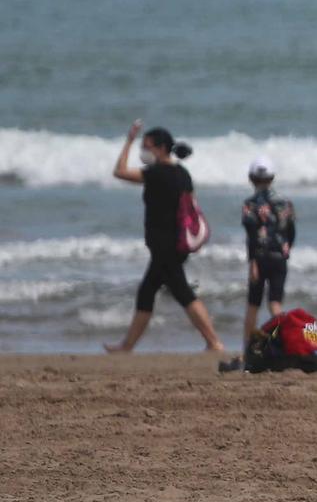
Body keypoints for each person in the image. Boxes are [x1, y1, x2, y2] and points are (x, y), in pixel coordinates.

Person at [104, 123, 227, 353]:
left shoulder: (157, 173)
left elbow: (119, 171)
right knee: (148, 292)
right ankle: (127, 346)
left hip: (166, 246)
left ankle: (214, 342)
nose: (143, 151)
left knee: (182, 293)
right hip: (176, 244)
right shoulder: (182, 173)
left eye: (146, 146)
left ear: (160, 148)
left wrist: (129, 140)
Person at [240, 155, 295, 347]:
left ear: (251, 178)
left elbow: (252, 236)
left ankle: (247, 347)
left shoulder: (250, 205)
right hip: (280, 257)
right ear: (272, 178)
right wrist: (286, 251)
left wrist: (252, 262)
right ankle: (285, 341)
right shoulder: (285, 203)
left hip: (260, 258)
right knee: (275, 303)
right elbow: (291, 232)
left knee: (253, 305)